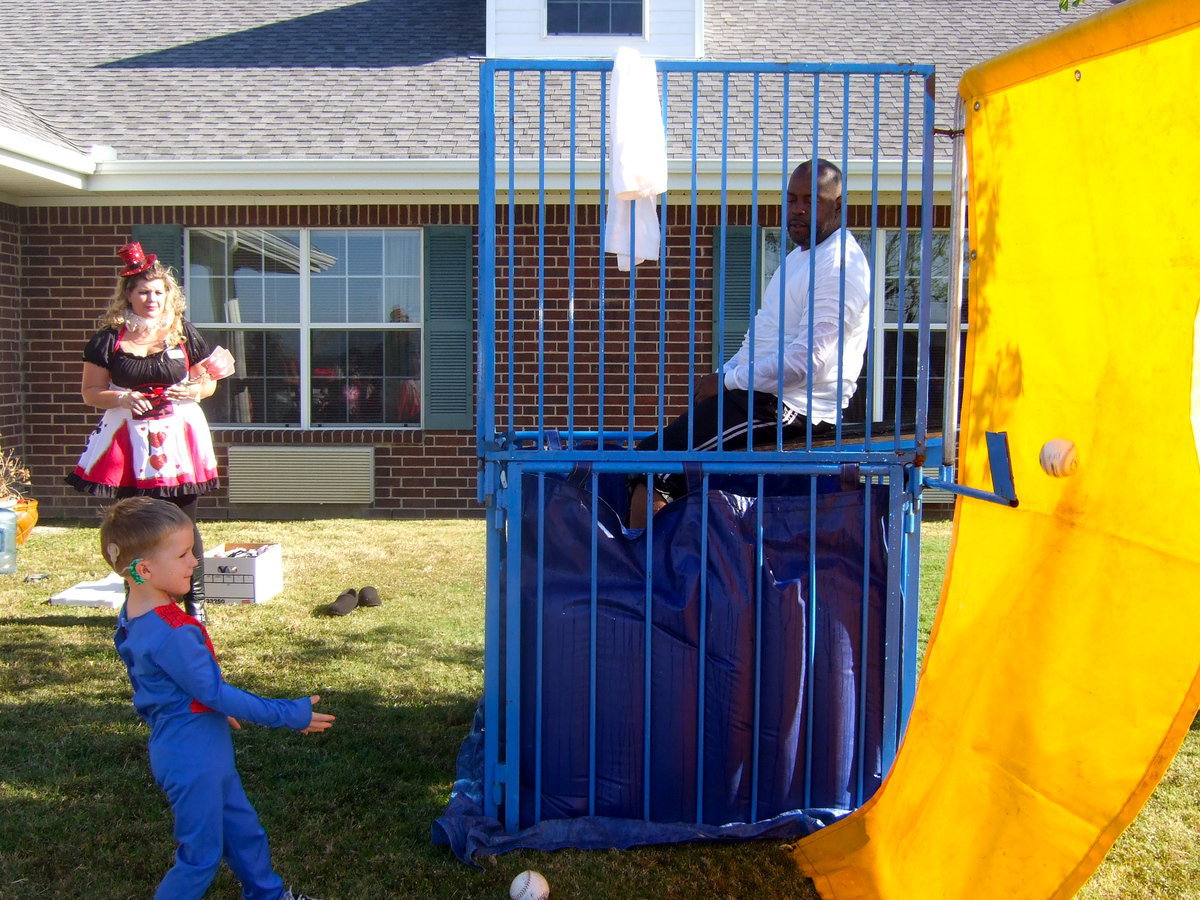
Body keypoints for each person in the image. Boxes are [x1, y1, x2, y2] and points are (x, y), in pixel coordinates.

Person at [102, 496, 334, 900]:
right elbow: (214, 691)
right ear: (144, 570)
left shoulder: (134, 615)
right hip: (194, 757)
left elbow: (164, 684)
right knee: (200, 857)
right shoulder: (174, 631)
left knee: (243, 831)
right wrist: (287, 713)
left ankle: (268, 895)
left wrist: (201, 707)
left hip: (190, 742)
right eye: (183, 553)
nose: (195, 560)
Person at [628, 159, 872, 529]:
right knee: (649, 458)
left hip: (794, 411)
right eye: (791, 199)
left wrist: (727, 382)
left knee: (657, 469)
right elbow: (762, 335)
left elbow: (810, 362)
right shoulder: (799, 258)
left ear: (838, 206)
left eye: (812, 199)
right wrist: (724, 376)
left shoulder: (838, 266)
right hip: (762, 399)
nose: (798, 209)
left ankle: (650, 580)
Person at [68, 241, 219, 621]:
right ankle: (138, 602)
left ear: (169, 295)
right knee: (134, 525)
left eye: (159, 292)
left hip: (179, 438)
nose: (152, 299)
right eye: (143, 292)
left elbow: (209, 382)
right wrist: (120, 399)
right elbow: (90, 393)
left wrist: (196, 388)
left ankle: (194, 603)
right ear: (128, 296)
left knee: (184, 521)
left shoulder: (183, 333)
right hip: (130, 443)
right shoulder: (109, 339)